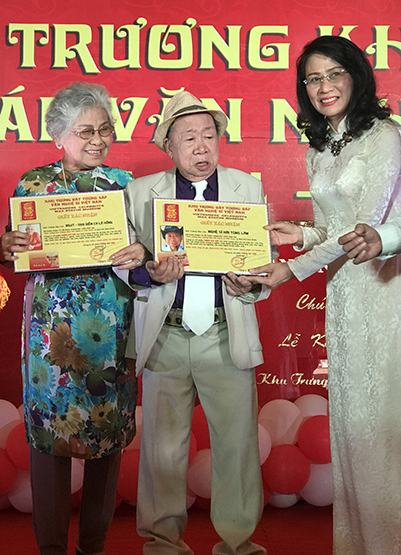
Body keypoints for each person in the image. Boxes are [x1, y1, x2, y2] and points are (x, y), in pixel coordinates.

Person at [245, 36, 401, 554]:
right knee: (353, 426)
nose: (324, 86)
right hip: (344, 295)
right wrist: (301, 234)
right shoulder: (319, 148)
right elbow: (333, 228)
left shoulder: (383, 137)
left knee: (383, 426)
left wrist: (290, 270)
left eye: (335, 74)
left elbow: (366, 227)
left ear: (357, 77)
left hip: (384, 291)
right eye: (313, 78)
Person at [112, 91, 269, 555]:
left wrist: (251, 282)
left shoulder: (246, 188)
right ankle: (162, 543)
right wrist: (148, 273)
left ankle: (238, 544)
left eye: (208, 136)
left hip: (225, 331)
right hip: (166, 333)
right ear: (169, 146)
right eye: (189, 138)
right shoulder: (141, 192)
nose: (201, 147)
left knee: (237, 444)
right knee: (162, 448)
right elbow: (123, 262)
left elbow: (264, 258)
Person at [0, 82, 144, 555]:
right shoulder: (33, 185)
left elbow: (150, 253)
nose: (98, 140)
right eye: (85, 131)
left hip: (112, 327)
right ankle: (52, 548)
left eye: (105, 130)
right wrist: (4, 246)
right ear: (58, 135)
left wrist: (143, 251)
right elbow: (14, 248)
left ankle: (93, 546)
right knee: (50, 437)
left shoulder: (127, 185)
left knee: (107, 435)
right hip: (50, 332)